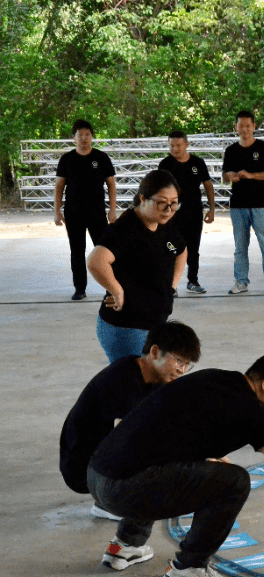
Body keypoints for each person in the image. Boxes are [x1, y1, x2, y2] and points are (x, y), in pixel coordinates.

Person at [87, 349, 264, 577]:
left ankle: (126, 545)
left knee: (192, 465)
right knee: (234, 482)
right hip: (123, 489)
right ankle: (188, 570)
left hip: (98, 474)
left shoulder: (216, 379)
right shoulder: (250, 410)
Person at [60, 321, 201, 521]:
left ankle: (109, 497)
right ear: (154, 352)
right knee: (157, 452)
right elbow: (138, 443)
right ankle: (111, 500)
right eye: (178, 361)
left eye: (187, 365)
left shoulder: (152, 375)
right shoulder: (122, 382)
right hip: (82, 470)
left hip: (100, 461)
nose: (182, 370)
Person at [87, 171, 187, 363]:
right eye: (161, 202)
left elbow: (181, 251)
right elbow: (96, 261)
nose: (168, 209)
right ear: (142, 198)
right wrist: (116, 291)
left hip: (155, 322)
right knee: (134, 384)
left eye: (174, 203)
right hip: (127, 328)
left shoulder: (164, 224)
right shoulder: (126, 229)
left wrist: (172, 285)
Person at [54, 119, 117, 300]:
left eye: (87, 134)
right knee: (77, 250)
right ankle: (79, 288)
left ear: (92, 137)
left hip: (97, 212)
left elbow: (111, 185)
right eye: (79, 135)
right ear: (73, 138)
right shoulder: (67, 159)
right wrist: (56, 210)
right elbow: (59, 186)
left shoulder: (101, 158)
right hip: (73, 213)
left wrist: (112, 210)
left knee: (104, 249)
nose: (84, 138)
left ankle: (109, 288)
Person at [223, 110, 264, 294]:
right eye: (241, 126)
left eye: (248, 125)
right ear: (235, 127)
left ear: (254, 127)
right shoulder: (231, 150)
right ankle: (241, 282)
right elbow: (224, 176)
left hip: (259, 204)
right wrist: (230, 176)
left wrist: (251, 175)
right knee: (240, 247)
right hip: (238, 206)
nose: (244, 129)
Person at [159, 131, 215, 294]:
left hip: (194, 212)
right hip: (171, 214)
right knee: (170, 247)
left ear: (186, 145)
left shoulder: (198, 162)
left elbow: (208, 185)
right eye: (171, 146)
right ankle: (171, 284)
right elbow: (160, 188)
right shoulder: (165, 164)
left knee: (193, 247)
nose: (175, 149)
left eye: (178, 145)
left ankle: (193, 281)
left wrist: (212, 209)